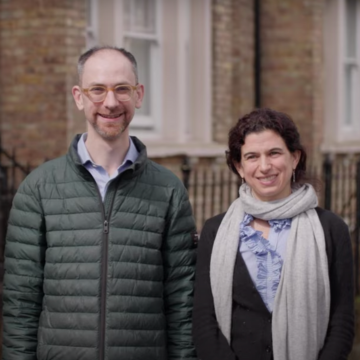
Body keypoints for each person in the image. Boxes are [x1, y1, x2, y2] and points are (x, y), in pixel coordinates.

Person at [2, 46, 197, 360]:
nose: (110, 102)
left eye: (122, 89)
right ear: (79, 97)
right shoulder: (38, 188)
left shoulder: (168, 190)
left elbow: (181, 302)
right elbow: (20, 303)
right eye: (98, 90)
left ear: (139, 95)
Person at [192, 108, 355, 360]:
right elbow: (204, 319)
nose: (264, 166)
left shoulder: (331, 229)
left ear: (295, 158)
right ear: (239, 166)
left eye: (274, 153)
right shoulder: (215, 231)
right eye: (252, 156)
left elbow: (342, 320)